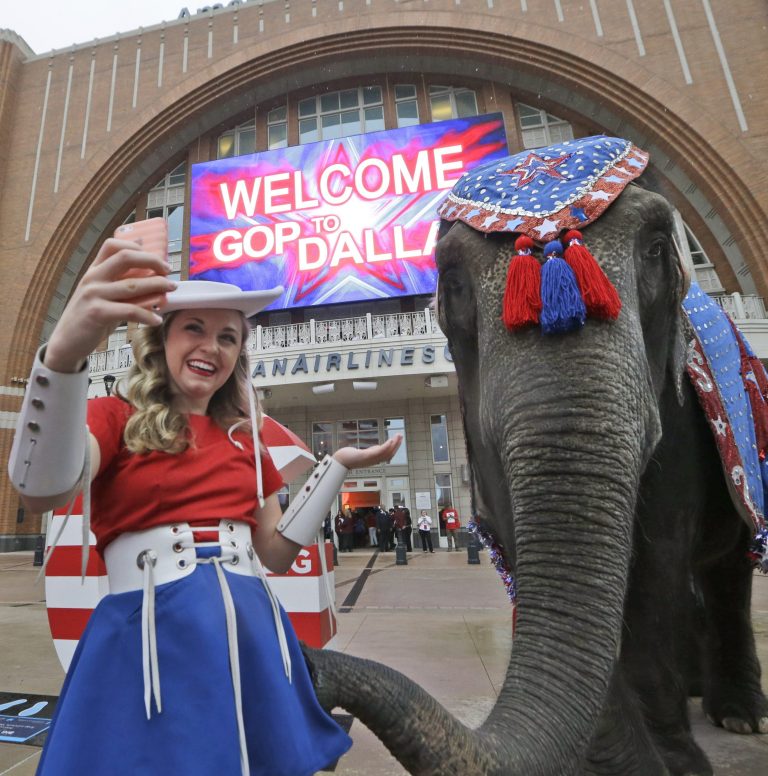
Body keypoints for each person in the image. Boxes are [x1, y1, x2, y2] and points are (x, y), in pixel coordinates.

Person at [7, 236, 401, 776]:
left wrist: (336, 469)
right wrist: (65, 354)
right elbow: (40, 490)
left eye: (228, 337)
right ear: (162, 336)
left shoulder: (249, 439)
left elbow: (276, 553)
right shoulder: (113, 415)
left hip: (249, 631)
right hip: (149, 639)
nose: (211, 347)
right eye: (194, 328)